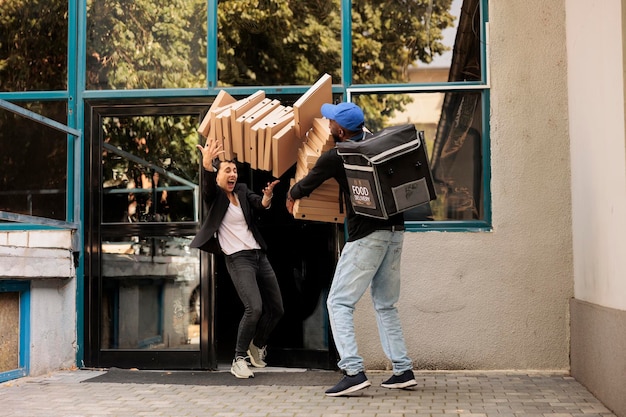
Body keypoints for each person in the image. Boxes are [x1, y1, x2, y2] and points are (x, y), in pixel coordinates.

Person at [286, 102, 417, 396]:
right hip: (396, 232)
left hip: (367, 237)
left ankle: (353, 370)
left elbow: (309, 182)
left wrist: (291, 194)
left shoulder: (337, 155)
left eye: (331, 120)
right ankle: (403, 369)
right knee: (385, 304)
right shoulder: (375, 145)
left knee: (338, 303)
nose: (327, 122)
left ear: (341, 130)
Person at [191, 135, 284, 379]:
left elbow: (258, 203)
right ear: (218, 174)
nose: (233, 174)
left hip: (258, 255)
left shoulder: (241, 190)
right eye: (227, 170)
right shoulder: (215, 196)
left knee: (277, 308)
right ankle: (238, 358)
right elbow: (208, 184)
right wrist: (207, 164)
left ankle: (257, 345)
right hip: (237, 258)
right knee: (254, 308)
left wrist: (267, 197)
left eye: (234, 170)